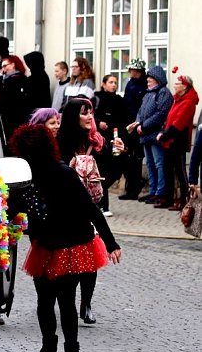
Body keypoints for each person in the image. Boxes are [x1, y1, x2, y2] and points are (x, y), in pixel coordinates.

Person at [9, 124, 121, 352]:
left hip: (70, 244)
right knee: (46, 302)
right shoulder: (26, 178)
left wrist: (111, 242)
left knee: (64, 301)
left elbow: (91, 208)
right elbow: (13, 208)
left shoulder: (63, 174)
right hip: (45, 244)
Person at [56, 97, 119, 325]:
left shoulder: (96, 141)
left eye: (91, 112)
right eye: (84, 113)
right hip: (66, 207)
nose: (90, 117)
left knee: (91, 257)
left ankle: (86, 303)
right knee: (70, 259)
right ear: (74, 115)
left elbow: (109, 175)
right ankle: (68, 302)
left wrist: (118, 155)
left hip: (89, 205)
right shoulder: (61, 141)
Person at [127, 65, 173, 207]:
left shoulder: (163, 93)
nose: (148, 80)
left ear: (157, 79)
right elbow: (141, 111)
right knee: (150, 164)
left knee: (159, 164)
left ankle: (161, 192)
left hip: (155, 134)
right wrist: (138, 123)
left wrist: (145, 125)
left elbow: (161, 113)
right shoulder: (148, 93)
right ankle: (153, 191)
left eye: (150, 78)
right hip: (145, 134)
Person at [157, 72, 198, 211]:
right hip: (170, 140)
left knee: (180, 172)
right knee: (168, 170)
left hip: (178, 141)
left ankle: (184, 200)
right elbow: (170, 120)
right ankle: (169, 198)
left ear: (184, 86)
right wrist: (164, 132)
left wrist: (164, 135)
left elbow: (178, 124)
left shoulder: (188, 102)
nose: (174, 86)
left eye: (177, 83)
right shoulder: (178, 100)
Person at [93, 74, 125, 213]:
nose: (114, 85)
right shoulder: (97, 98)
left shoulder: (119, 100)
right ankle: (103, 206)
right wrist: (99, 123)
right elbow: (91, 115)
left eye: (115, 82)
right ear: (103, 84)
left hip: (115, 137)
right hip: (100, 138)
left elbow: (123, 118)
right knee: (103, 170)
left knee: (116, 170)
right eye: (111, 82)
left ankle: (99, 197)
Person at [0, 54, 29, 136]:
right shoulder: (9, 80)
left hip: (13, 118)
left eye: (5, 66)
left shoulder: (12, 80)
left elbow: (4, 98)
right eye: (2, 67)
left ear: (13, 64)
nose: (3, 69)